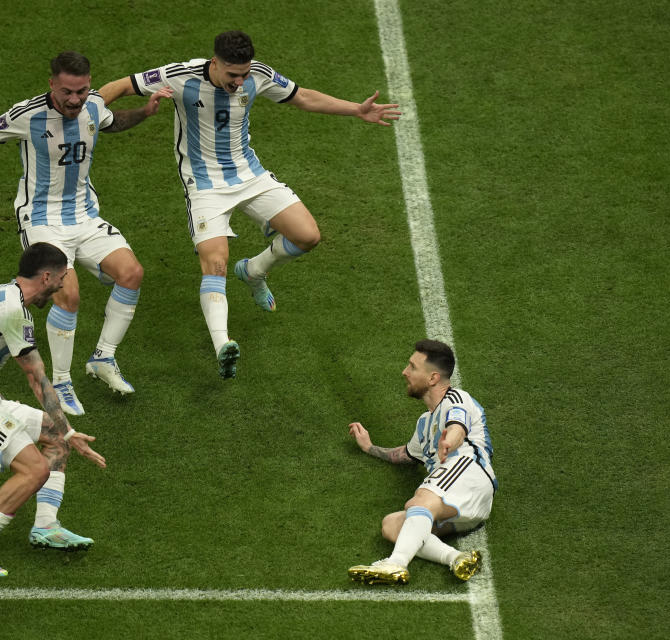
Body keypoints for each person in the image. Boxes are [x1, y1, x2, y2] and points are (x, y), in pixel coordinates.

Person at [98, 31, 400, 378]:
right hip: (205, 185)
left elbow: (303, 97)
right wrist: (90, 113)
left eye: (243, 74)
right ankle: (222, 343)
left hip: (249, 175)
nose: (240, 82)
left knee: (308, 236)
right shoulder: (180, 75)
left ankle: (254, 270)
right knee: (215, 264)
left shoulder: (258, 74)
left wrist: (355, 110)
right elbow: (121, 84)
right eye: (232, 75)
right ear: (214, 64)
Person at [0, 51, 173, 414]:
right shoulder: (28, 114)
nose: (75, 100)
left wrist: (144, 113)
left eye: (81, 91)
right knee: (68, 293)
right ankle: (62, 382)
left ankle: (102, 359)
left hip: (84, 214)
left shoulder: (93, 107)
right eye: (67, 91)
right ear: (52, 84)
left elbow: (112, 122)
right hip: (42, 219)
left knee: (132, 273)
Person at [0, 242, 107, 578]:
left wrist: (64, 433)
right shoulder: (13, 310)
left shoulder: (2, 294)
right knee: (34, 470)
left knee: (55, 440)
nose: (61, 287)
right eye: (60, 280)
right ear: (45, 277)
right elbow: (36, 377)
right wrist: (70, 430)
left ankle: (45, 526)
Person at [346, 340, 496, 584]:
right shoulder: (425, 423)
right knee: (392, 526)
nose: (405, 372)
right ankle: (457, 558)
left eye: (412, 367)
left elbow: (457, 425)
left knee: (420, 500)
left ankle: (395, 564)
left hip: (468, 473)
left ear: (433, 378)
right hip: (464, 507)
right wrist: (369, 447)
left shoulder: (456, 399)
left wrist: (451, 441)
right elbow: (405, 455)